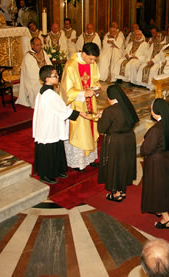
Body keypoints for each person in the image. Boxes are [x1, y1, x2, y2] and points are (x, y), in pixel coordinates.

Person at [33, 65, 83, 184]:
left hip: (51, 124)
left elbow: (59, 107)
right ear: (47, 79)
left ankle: (57, 170)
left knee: (57, 147)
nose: (57, 77)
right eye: (55, 75)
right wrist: (80, 113)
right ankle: (46, 174)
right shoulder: (49, 94)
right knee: (49, 150)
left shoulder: (46, 90)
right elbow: (63, 111)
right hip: (48, 128)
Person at [141, 98, 169, 229]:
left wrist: (144, 142)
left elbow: (146, 149)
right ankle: (160, 209)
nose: (150, 111)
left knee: (159, 188)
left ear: (157, 112)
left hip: (157, 163)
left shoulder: (156, 129)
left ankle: (166, 219)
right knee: (167, 185)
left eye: (151, 109)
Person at [60, 42, 100, 171]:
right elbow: (67, 90)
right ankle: (78, 162)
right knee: (80, 131)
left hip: (90, 102)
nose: (92, 62)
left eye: (94, 59)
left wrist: (96, 88)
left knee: (91, 129)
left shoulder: (92, 64)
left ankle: (90, 158)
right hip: (77, 104)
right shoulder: (71, 66)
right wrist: (83, 93)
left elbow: (95, 80)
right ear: (84, 53)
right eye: (91, 59)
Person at [97, 85, 139, 202]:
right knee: (124, 164)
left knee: (114, 166)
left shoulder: (109, 111)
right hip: (129, 139)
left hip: (116, 141)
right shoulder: (128, 107)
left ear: (110, 97)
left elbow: (102, 128)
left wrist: (100, 117)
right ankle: (122, 190)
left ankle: (115, 193)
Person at [16, 37, 52, 108]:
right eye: (37, 45)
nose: (39, 47)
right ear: (32, 46)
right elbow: (31, 74)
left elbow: (49, 65)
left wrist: (49, 74)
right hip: (34, 81)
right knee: (37, 87)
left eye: (40, 45)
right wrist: (43, 78)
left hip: (45, 77)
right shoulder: (28, 56)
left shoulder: (43, 52)